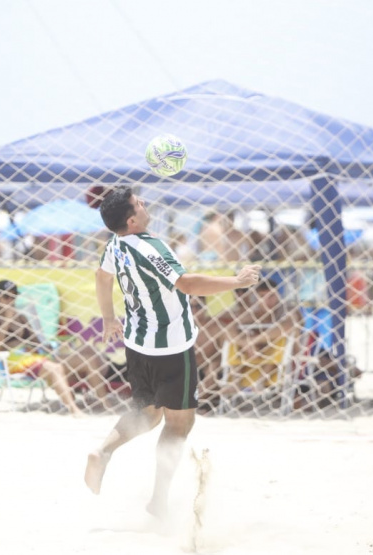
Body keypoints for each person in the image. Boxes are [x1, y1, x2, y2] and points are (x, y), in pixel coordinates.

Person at [84, 186, 261, 517]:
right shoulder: (151, 247)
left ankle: (103, 452)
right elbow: (188, 285)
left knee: (148, 414)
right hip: (170, 347)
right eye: (139, 203)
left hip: (137, 344)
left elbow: (102, 277)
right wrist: (237, 282)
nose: (145, 204)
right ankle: (159, 499)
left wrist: (109, 317)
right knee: (179, 423)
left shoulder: (115, 244)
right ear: (132, 219)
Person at [0, 279, 98, 416]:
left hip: (32, 356)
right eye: (6, 297)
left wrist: (54, 346)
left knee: (84, 358)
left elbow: (36, 342)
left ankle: (100, 402)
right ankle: (74, 409)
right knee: (55, 368)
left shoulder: (21, 318)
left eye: (14, 296)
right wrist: (6, 321)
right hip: (12, 361)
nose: (11, 300)